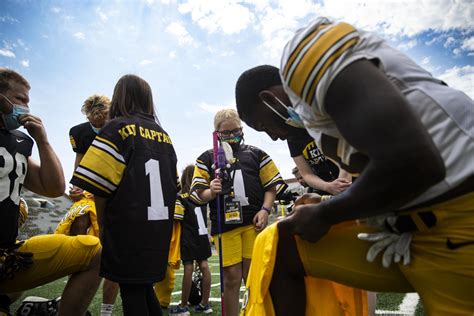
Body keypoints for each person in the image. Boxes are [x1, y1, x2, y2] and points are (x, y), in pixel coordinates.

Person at [235, 16, 474, 315]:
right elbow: (383, 172)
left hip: (459, 217)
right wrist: (328, 201)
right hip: (406, 230)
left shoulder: (306, 61)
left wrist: (328, 212)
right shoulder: (315, 120)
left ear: (268, 98)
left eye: (262, 125)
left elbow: (413, 161)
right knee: (280, 245)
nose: (272, 135)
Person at [70, 74, 178, 316]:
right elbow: (174, 184)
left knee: (132, 294)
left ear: (119, 97)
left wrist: (105, 226)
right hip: (159, 227)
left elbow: (99, 186)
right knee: (141, 288)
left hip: (128, 225)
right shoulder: (164, 135)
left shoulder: (116, 128)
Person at [0, 68, 102, 316]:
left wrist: (43, 140)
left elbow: (54, 187)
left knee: (95, 252)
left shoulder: (18, 143)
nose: (26, 107)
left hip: (8, 255)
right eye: (20, 99)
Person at [189, 109, 286, 316]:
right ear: (216, 133)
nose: (232, 136)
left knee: (253, 275)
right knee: (231, 277)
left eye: (236, 131)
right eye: (226, 132)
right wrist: (210, 192)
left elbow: (271, 186)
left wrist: (265, 209)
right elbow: (196, 194)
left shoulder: (256, 153)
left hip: (253, 222)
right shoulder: (207, 158)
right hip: (225, 225)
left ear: (242, 130)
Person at [64, 94, 120, 316]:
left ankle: (106, 311)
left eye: (102, 123)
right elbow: (79, 164)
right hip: (90, 186)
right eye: (94, 124)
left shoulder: (118, 128)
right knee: (79, 223)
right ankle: (72, 297)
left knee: (112, 249)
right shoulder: (79, 132)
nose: (98, 127)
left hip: (113, 186)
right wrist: (75, 185)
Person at [169, 165, 213, 316]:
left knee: (188, 268)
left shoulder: (182, 197)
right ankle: (205, 304)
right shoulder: (202, 197)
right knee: (205, 266)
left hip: (189, 237)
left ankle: (183, 306)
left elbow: (177, 218)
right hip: (202, 236)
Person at [289, 129, 352, 195]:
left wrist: (341, 186)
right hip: (323, 186)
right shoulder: (291, 138)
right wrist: (328, 187)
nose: (277, 138)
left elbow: (347, 157)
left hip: (350, 175)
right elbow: (307, 174)